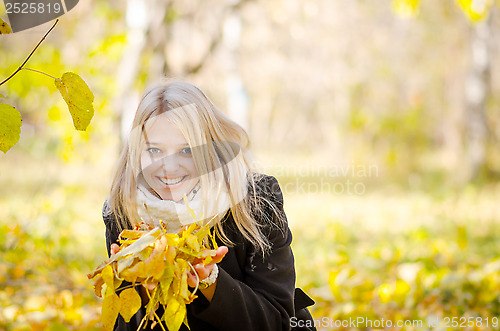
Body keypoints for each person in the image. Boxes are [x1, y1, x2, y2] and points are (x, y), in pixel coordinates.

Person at [102, 79, 315, 330]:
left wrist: (210, 281)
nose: (169, 168)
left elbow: (276, 320)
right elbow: (126, 323)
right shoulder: (124, 209)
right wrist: (142, 291)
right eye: (155, 151)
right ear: (137, 153)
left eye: (186, 151)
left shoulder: (256, 201)